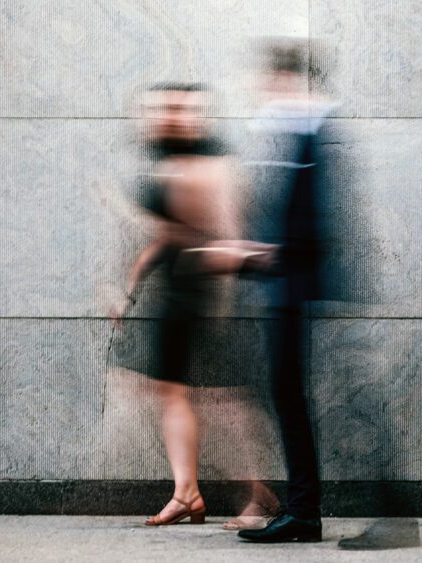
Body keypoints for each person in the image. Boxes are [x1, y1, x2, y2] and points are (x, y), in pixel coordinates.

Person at [110, 82, 278, 527]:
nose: (167, 115)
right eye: (161, 107)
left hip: (210, 296)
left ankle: (259, 498)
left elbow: (231, 234)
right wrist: (129, 289)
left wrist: (220, 288)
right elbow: (165, 236)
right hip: (178, 295)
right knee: (172, 393)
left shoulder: (213, 166)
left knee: (225, 403)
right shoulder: (167, 161)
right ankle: (187, 493)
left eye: (179, 107)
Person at [237, 39, 340, 544]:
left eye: (273, 80)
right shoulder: (302, 132)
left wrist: (260, 254)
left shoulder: (313, 130)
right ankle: (303, 509)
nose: (266, 90)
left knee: (289, 395)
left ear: (291, 78)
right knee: (287, 395)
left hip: (292, 288)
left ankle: (305, 511)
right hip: (288, 286)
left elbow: (310, 224)